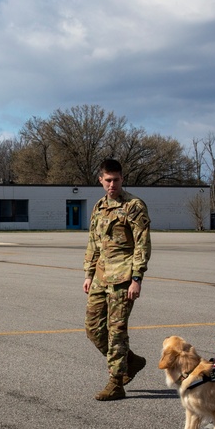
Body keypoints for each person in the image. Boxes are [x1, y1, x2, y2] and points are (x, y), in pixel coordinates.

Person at [83, 158, 152, 401]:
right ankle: (130, 362)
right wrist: (89, 274)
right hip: (101, 276)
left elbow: (142, 243)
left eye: (116, 180)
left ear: (122, 179)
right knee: (92, 329)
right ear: (100, 180)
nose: (112, 184)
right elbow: (94, 242)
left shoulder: (134, 206)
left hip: (124, 277)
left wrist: (137, 278)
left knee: (116, 332)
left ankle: (116, 382)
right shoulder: (99, 206)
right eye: (108, 180)